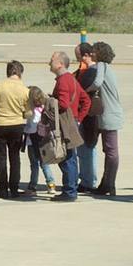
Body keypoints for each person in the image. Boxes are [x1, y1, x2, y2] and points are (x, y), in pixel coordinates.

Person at [0, 60, 30, 199]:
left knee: (1, 158)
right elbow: (28, 113)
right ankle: (14, 189)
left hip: (0, 125)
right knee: (15, 158)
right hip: (17, 126)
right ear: (20, 72)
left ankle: (2, 188)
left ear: (8, 72)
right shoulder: (25, 90)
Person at [49, 51, 89, 202]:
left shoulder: (63, 80)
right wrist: (78, 118)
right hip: (71, 121)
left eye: (51, 60)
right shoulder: (71, 79)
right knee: (70, 157)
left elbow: (64, 104)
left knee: (66, 157)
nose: (49, 62)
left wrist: (50, 102)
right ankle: (71, 189)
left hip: (65, 123)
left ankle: (70, 191)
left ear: (60, 64)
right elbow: (86, 100)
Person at [89, 42, 124, 196]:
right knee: (109, 150)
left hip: (109, 115)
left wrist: (85, 90)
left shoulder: (102, 65)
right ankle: (106, 183)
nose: (91, 54)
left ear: (100, 53)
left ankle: (110, 184)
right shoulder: (108, 68)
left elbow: (97, 82)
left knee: (111, 152)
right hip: (112, 114)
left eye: (93, 51)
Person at [73, 42, 101, 194]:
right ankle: (87, 179)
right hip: (89, 114)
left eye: (78, 56)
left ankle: (88, 181)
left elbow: (79, 90)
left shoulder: (91, 71)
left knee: (87, 149)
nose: (78, 60)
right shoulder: (93, 70)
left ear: (86, 55)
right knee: (86, 149)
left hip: (89, 115)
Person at [23, 86, 59, 197]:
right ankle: (51, 184)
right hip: (43, 140)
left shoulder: (31, 111)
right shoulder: (44, 108)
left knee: (34, 164)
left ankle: (32, 186)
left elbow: (31, 126)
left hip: (32, 140)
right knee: (45, 163)